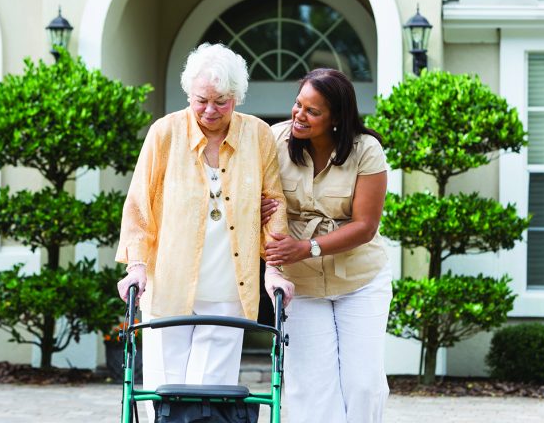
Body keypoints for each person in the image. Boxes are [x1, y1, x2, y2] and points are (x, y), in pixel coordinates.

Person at [115, 43, 294, 422]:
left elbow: (273, 206)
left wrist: (274, 269)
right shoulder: (164, 134)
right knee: (164, 397)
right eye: (201, 101)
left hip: (230, 293)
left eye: (222, 101)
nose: (210, 111)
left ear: (237, 97)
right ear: (188, 94)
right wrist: (136, 266)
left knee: (209, 401)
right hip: (168, 289)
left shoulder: (258, 136)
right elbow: (139, 206)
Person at [261, 68, 393, 423]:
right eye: (298, 104)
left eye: (312, 111)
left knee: (363, 385)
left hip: (360, 281)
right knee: (311, 388)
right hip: (300, 285)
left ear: (336, 117)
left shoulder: (366, 150)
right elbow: (250, 193)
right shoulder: (274, 141)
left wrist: (307, 248)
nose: (299, 115)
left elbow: (365, 226)